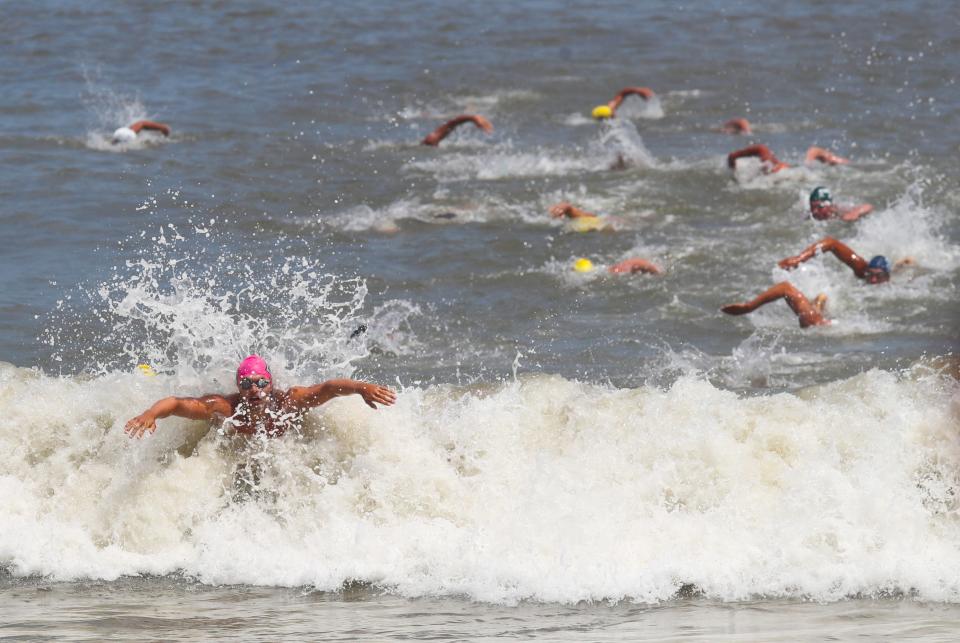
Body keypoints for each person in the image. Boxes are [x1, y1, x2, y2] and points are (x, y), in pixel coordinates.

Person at [124, 355, 396, 439]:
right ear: (239, 388)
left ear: (270, 382)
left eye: (260, 382)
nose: (254, 389)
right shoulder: (224, 407)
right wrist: (150, 414)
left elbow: (328, 388)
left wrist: (361, 387)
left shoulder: (291, 401)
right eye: (246, 384)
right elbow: (177, 403)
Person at [778, 236, 913, 284]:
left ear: (887, 275)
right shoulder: (862, 270)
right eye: (870, 275)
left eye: (878, 276)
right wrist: (800, 259)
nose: (872, 280)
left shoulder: (897, 282)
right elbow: (831, 243)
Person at [722, 282, 830, 328]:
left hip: (814, 323)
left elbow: (785, 287)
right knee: (822, 297)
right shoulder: (821, 320)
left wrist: (749, 307)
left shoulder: (811, 317)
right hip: (821, 325)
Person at [727, 144, 849, 174]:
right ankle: (831, 158)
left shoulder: (774, 167)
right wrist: (733, 157)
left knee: (809, 160)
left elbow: (761, 148)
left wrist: (734, 157)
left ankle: (833, 159)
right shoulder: (770, 166)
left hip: (792, 170)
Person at [807, 187, 873, 222]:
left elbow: (868, 206)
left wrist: (855, 213)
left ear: (829, 205)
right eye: (812, 207)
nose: (815, 211)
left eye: (819, 207)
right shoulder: (811, 217)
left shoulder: (839, 211)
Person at [421, 115, 493, 146]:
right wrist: (471, 118)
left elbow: (451, 123)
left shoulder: (430, 141)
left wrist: (472, 118)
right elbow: (451, 124)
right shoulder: (430, 141)